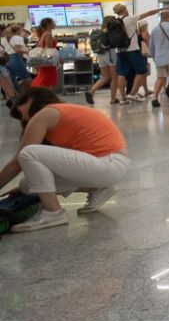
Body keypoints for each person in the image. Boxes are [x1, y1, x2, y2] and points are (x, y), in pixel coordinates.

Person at [1, 87, 129, 232]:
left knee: (28, 153)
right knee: (27, 185)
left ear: (30, 100)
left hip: (107, 162)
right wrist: (32, 179)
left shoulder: (46, 113)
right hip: (108, 165)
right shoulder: (63, 112)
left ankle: (53, 213)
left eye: (20, 111)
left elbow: (17, 162)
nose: (23, 119)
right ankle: (99, 188)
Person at [111, 4, 165, 103]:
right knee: (142, 69)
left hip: (119, 51)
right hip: (132, 50)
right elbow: (148, 13)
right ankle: (132, 93)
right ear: (123, 10)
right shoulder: (130, 19)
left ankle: (123, 99)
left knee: (121, 73)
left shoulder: (114, 22)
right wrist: (162, 9)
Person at [85, 17, 123, 105]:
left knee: (105, 77)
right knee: (114, 77)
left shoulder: (99, 32)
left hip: (101, 55)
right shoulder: (110, 32)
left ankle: (91, 91)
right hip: (110, 55)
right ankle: (113, 99)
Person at [2, 24, 32, 96]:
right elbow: (17, 49)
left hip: (8, 59)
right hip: (15, 58)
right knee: (26, 78)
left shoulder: (8, 38)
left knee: (12, 80)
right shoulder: (17, 37)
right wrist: (27, 51)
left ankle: (16, 96)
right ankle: (30, 94)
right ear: (19, 30)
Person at [30, 18, 59, 89]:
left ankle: (44, 96)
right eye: (53, 22)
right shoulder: (48, 34)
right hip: (48, 63)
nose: (55, 24)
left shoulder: (43, 34)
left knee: (44, 79)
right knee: (47, 81)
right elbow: (49, 49)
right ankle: (47, 97)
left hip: (43, 62)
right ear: (48, 24)